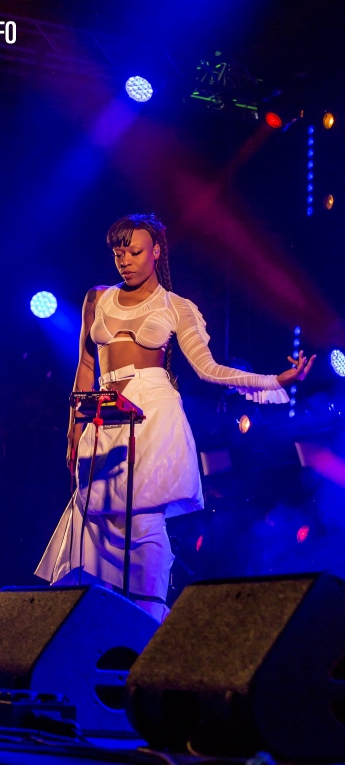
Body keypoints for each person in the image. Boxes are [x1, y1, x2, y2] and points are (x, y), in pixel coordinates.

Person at [34, 213, 315, 621]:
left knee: (144, 517)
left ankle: (147, 624)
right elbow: (85, 366)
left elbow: (210, 368)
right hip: (103, 410)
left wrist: (275, 379)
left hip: (153, 410)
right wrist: (73, 427)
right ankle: (81, 623)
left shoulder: (176, 306)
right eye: (118, 253)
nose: (125, 260)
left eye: (134, 251)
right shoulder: (97, 297)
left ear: (156, 251)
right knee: (92, 513)